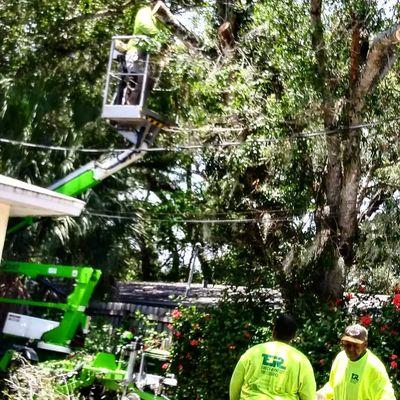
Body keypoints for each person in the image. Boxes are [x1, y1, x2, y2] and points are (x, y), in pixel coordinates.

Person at [229, 314, 316, 400]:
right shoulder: (301, 361)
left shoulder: (252, 352)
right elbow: (309, 396)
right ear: (294, 336)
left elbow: (235, 384)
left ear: (274, 331)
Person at [317, 324, 396, 400]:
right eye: (347, 344)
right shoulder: (340, 357)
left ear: (365, 345)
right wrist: (321, 395)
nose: (351, 349)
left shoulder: (374, 366)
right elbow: (332, 385)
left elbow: (386, 396)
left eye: (355, 345)